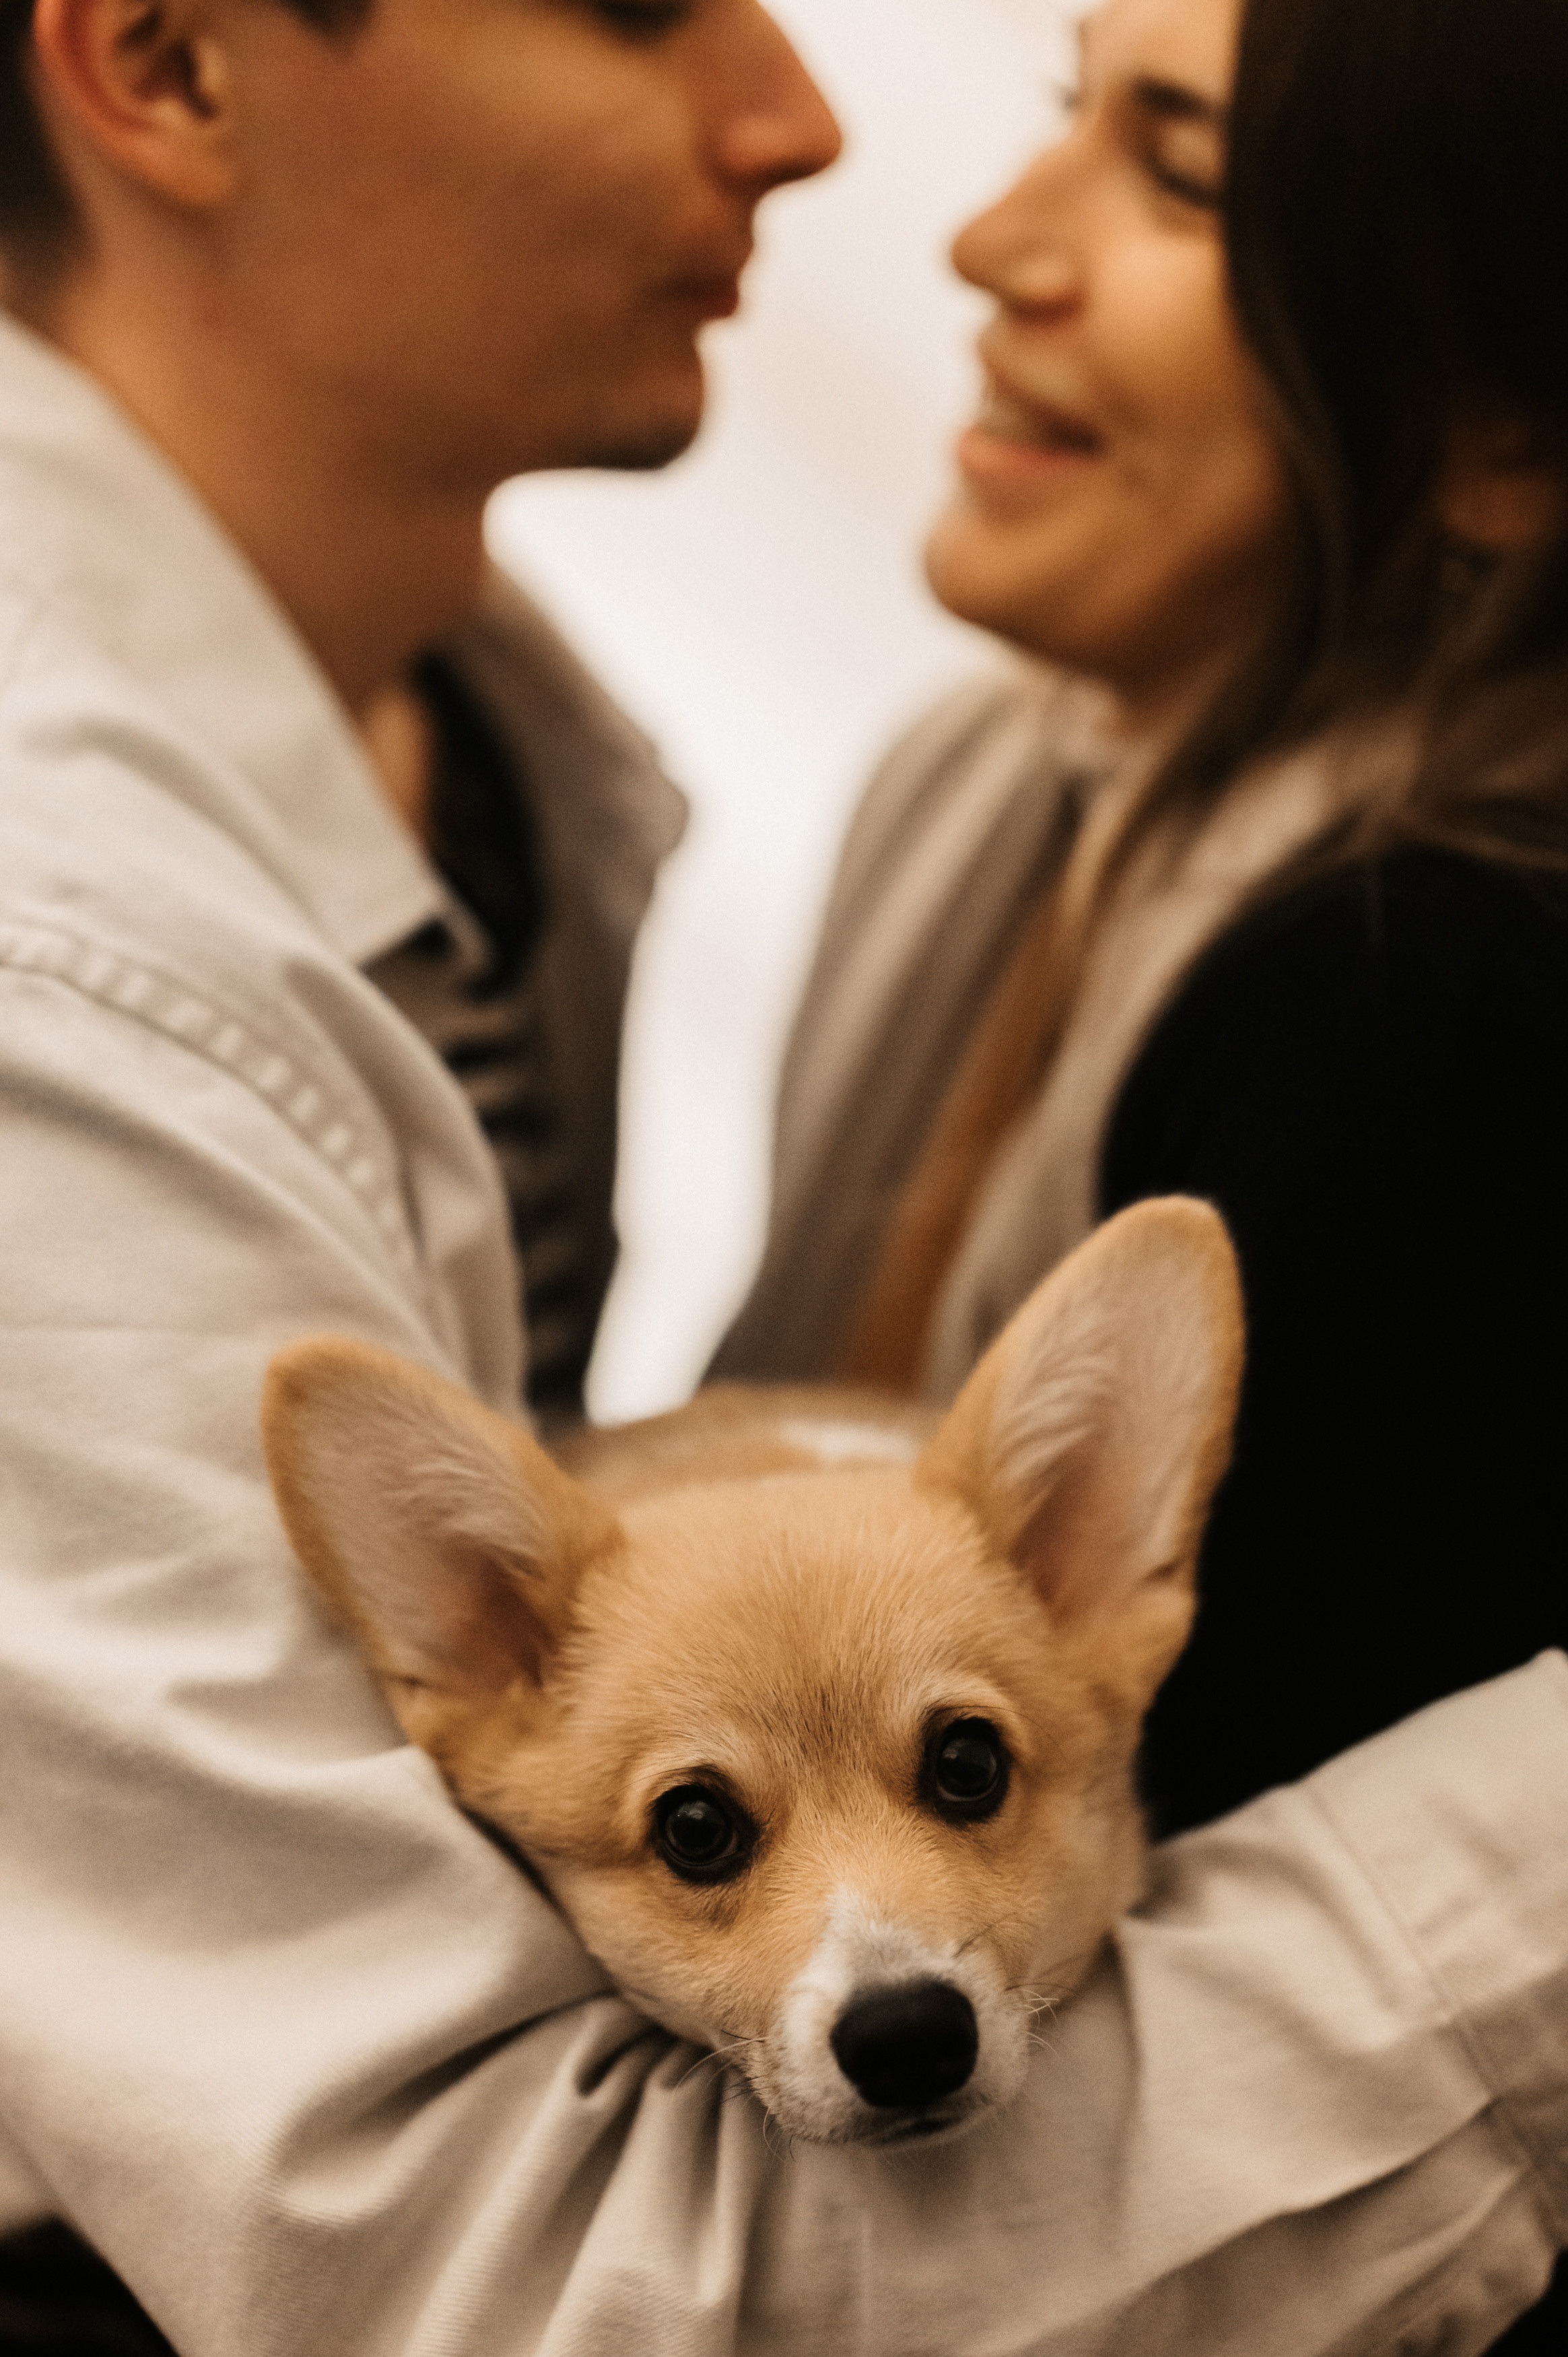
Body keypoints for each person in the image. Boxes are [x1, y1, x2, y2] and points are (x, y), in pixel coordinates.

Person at [0, 0, 1565, 2344]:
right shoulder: (75, 969)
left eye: (1179, 167)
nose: (816, 119)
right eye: (639, 0)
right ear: (168, 63)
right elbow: (498, 2270)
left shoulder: (530, 785)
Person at [715, 0, 1568, 2344]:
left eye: (1178, 175)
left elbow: (1150, 2138)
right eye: (1054, 114)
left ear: (1499, 429)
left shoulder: (1420, 1020)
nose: (994, 240)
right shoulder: (979, 795)